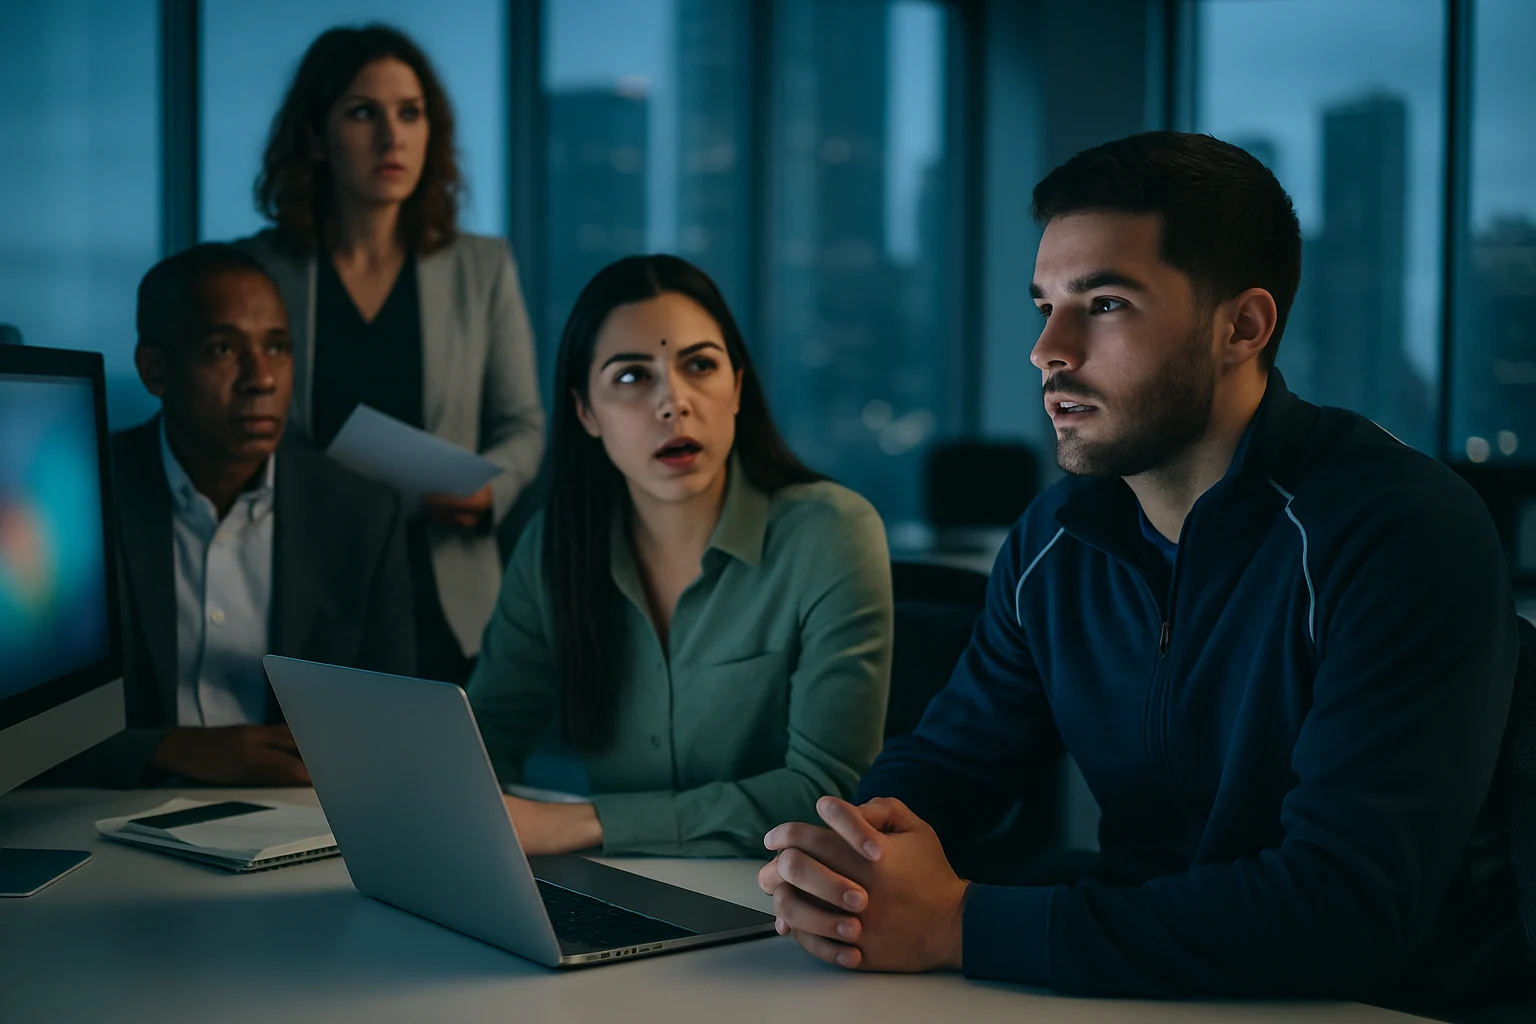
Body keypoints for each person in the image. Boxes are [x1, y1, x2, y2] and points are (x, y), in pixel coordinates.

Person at [758, 131, 1534, 1006]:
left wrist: (953, 924)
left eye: (1106, 304)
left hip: (1379, 1007)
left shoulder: (1399, 533)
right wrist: (852, 859)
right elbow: (950, 765)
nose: (1048, 348)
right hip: (1140, 985)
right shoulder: (1055, 539)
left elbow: (1342, 909)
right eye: (1044, 304)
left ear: (1241, 326)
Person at [465, 254, 893, 858]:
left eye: (699, 366)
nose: (674, 403)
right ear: (585, 412)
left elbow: (826, 794)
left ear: (737, 386)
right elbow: (485, 738)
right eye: (632, 377)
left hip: (779, 906)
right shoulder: (554, 547)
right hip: (618, 894)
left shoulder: (831, 533)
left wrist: (586, 824)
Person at [235, 24, 543, 685]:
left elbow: (523, 423)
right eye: (362, 112)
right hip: (302, 579)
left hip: (445, 588)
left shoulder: (481, 267)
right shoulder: (259, 271)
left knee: (446, 781)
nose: (391, 136)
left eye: (410, 113)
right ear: (315, 136)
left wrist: (492, 490)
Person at [55, 244, 414, 788]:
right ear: (155, 371)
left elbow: (397, 723)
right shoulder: (79, 496)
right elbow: (31, 731)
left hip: (296, 822)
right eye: (223, 349)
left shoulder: (361, 514)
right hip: (111, 814)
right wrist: (173, 750)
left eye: (277, 347)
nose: (261, 379)